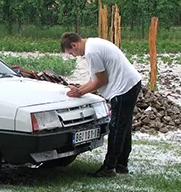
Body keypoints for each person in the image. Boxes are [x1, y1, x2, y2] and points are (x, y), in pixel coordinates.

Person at [60, 32, 142, 177]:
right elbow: (95, 79)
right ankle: (121, 164)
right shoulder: (94, 43)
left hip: (123, 89)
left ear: (74, 45)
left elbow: (100, 81)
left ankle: (109, 167)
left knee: (116, 128)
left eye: (71, 52)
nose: (74, 56)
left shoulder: (91, 52)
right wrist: (80, 90)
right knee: (124, 126)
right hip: (131, 84)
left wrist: (79, 93)